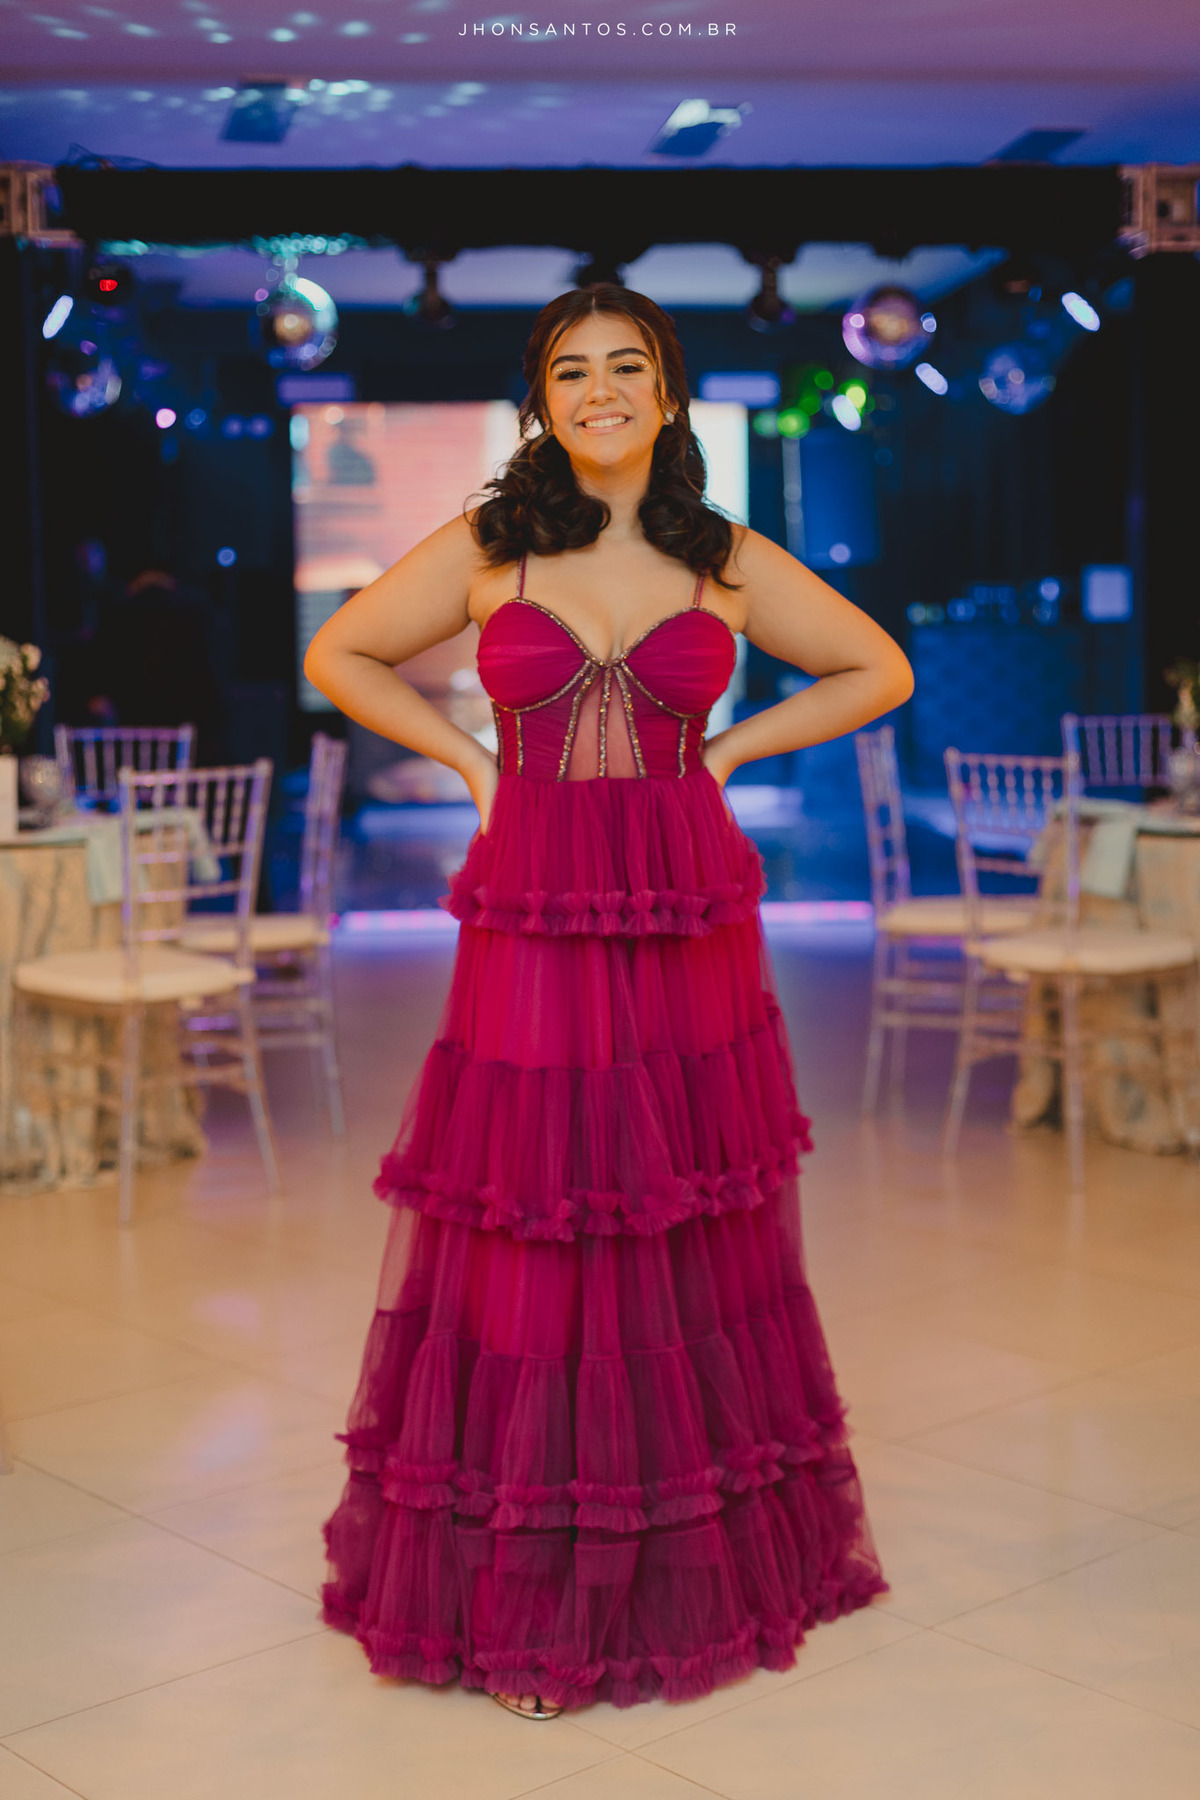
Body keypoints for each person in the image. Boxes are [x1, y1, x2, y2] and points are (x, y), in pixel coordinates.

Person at [305, 284, 913, 1718]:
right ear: (542, 401)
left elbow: (877, 668)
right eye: (571, 371)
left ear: (666, 391)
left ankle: (683, 1563)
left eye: (626, 366)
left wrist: (731, 752)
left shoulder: (724, 555)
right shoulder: (493, 543)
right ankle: (536, 1602)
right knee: (542, 1209)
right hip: (533, 891)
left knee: (675, 1204)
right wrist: (469, 764)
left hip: (683, 897)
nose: (599, 391)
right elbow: (340, 654)